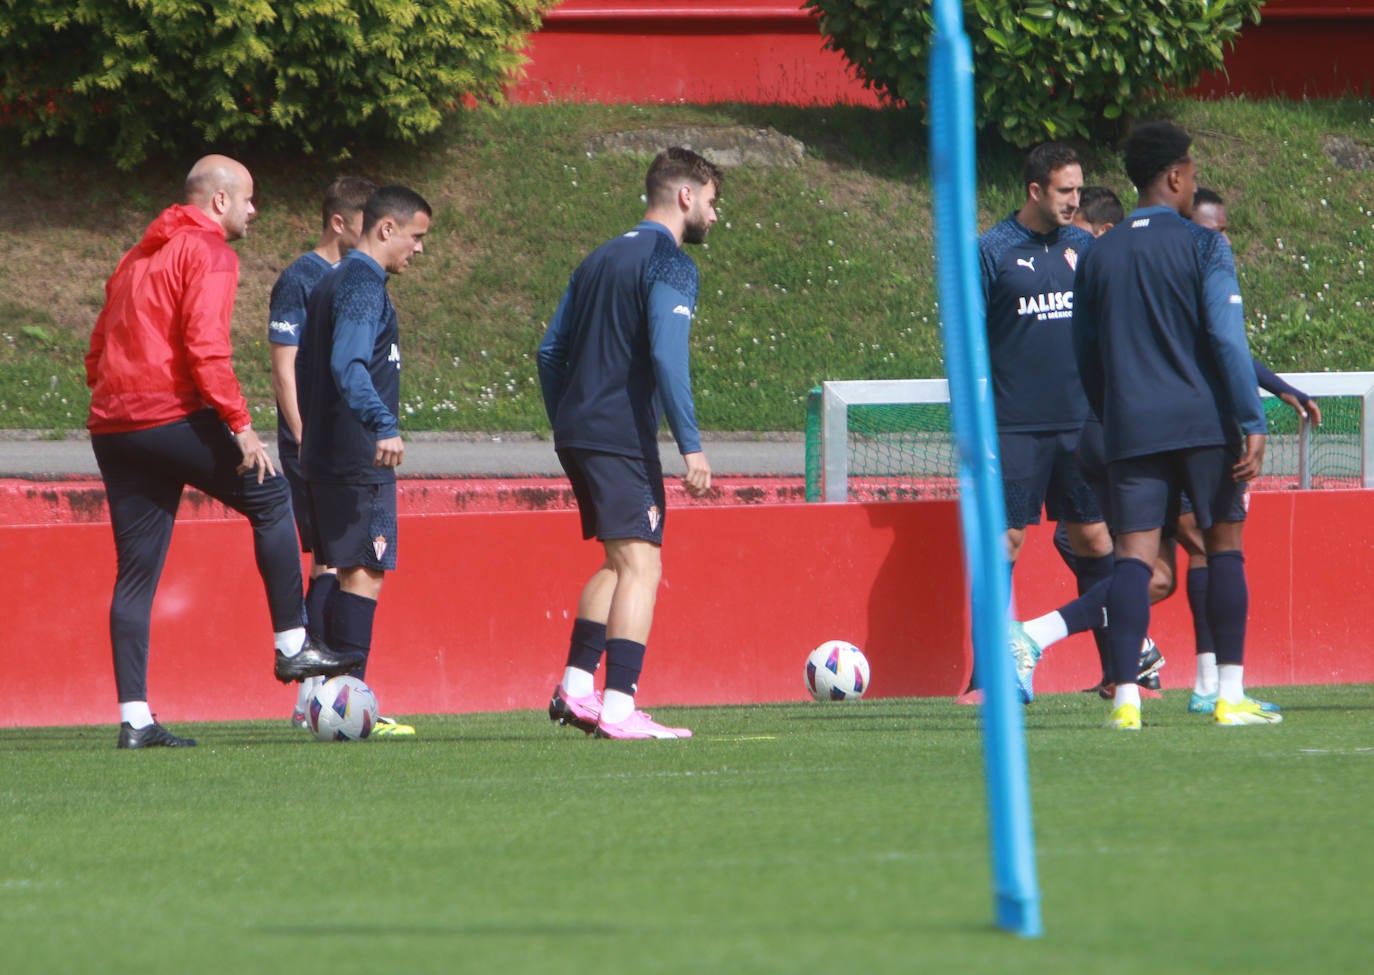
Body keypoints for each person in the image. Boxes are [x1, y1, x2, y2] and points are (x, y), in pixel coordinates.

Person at [85, 155, 365, 750]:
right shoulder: (209, 252)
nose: (253, 209)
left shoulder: (137, 255)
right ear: (219, 201)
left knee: (135, 577)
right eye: (248, 199)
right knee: (269, 493)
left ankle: (135, 720)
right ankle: (293, 644)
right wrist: (241, 425)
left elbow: (98, 342)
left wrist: (114, 399)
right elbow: (205, 346)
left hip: (113, 425)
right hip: (167, 412)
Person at [1072, 121, 1277, 730]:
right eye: (1190, 169)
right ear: (1176, 176)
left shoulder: (1098, 251)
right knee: (1223, 547)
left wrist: (1113, 413)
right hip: (1204, 424)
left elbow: (1085, 353)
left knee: (1134, 560)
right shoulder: (1205, 245)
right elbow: (1225, 337)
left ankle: (1128, 703)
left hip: (1131, 426)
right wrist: (1251, 416)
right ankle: (1228, 696)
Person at [537, 147, 721, 740]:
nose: (714, 217)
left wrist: (567, 419)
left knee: (617, 562)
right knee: (643, 563)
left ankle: (577, 688)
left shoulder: (599, 257)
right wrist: (690, 445)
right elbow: (669, 354)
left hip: (580, 431)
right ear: (686, 196)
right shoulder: (669, 262)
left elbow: (549, 352)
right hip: (619, 435)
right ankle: (619, 707)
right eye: (712, 203)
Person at [967, 143, 1115, 705]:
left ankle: (1118, 671)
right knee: (1004, 542)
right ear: (1034, 191)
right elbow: (967, 344)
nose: (1076, 201)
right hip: (1013, 426)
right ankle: (989, 677)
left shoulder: (1086, 247)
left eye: (1079, 190)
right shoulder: (992, 250)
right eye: (1064, 191)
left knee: (1094, 537)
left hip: (1081, 424)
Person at [296, 184, 432, 738]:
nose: (419, 249)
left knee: (338, 565)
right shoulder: (360, 284)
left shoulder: (335, 280)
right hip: (357, 457)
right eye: (416, 237)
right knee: (365, 573)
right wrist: (384, 424)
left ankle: (320, 702)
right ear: (385, 229)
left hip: (329, 454)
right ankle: (350, 708)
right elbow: (349, 365)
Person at [268, 176, 377, 728]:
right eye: (367, 220)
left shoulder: (353, 279)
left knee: (334, 557)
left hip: (340, 447)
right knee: (331, 558)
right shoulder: (301, 279)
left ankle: (317, 696)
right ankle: (312, 694)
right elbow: (284, 369)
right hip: (311, 446)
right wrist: (306, 437)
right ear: (340, 222)